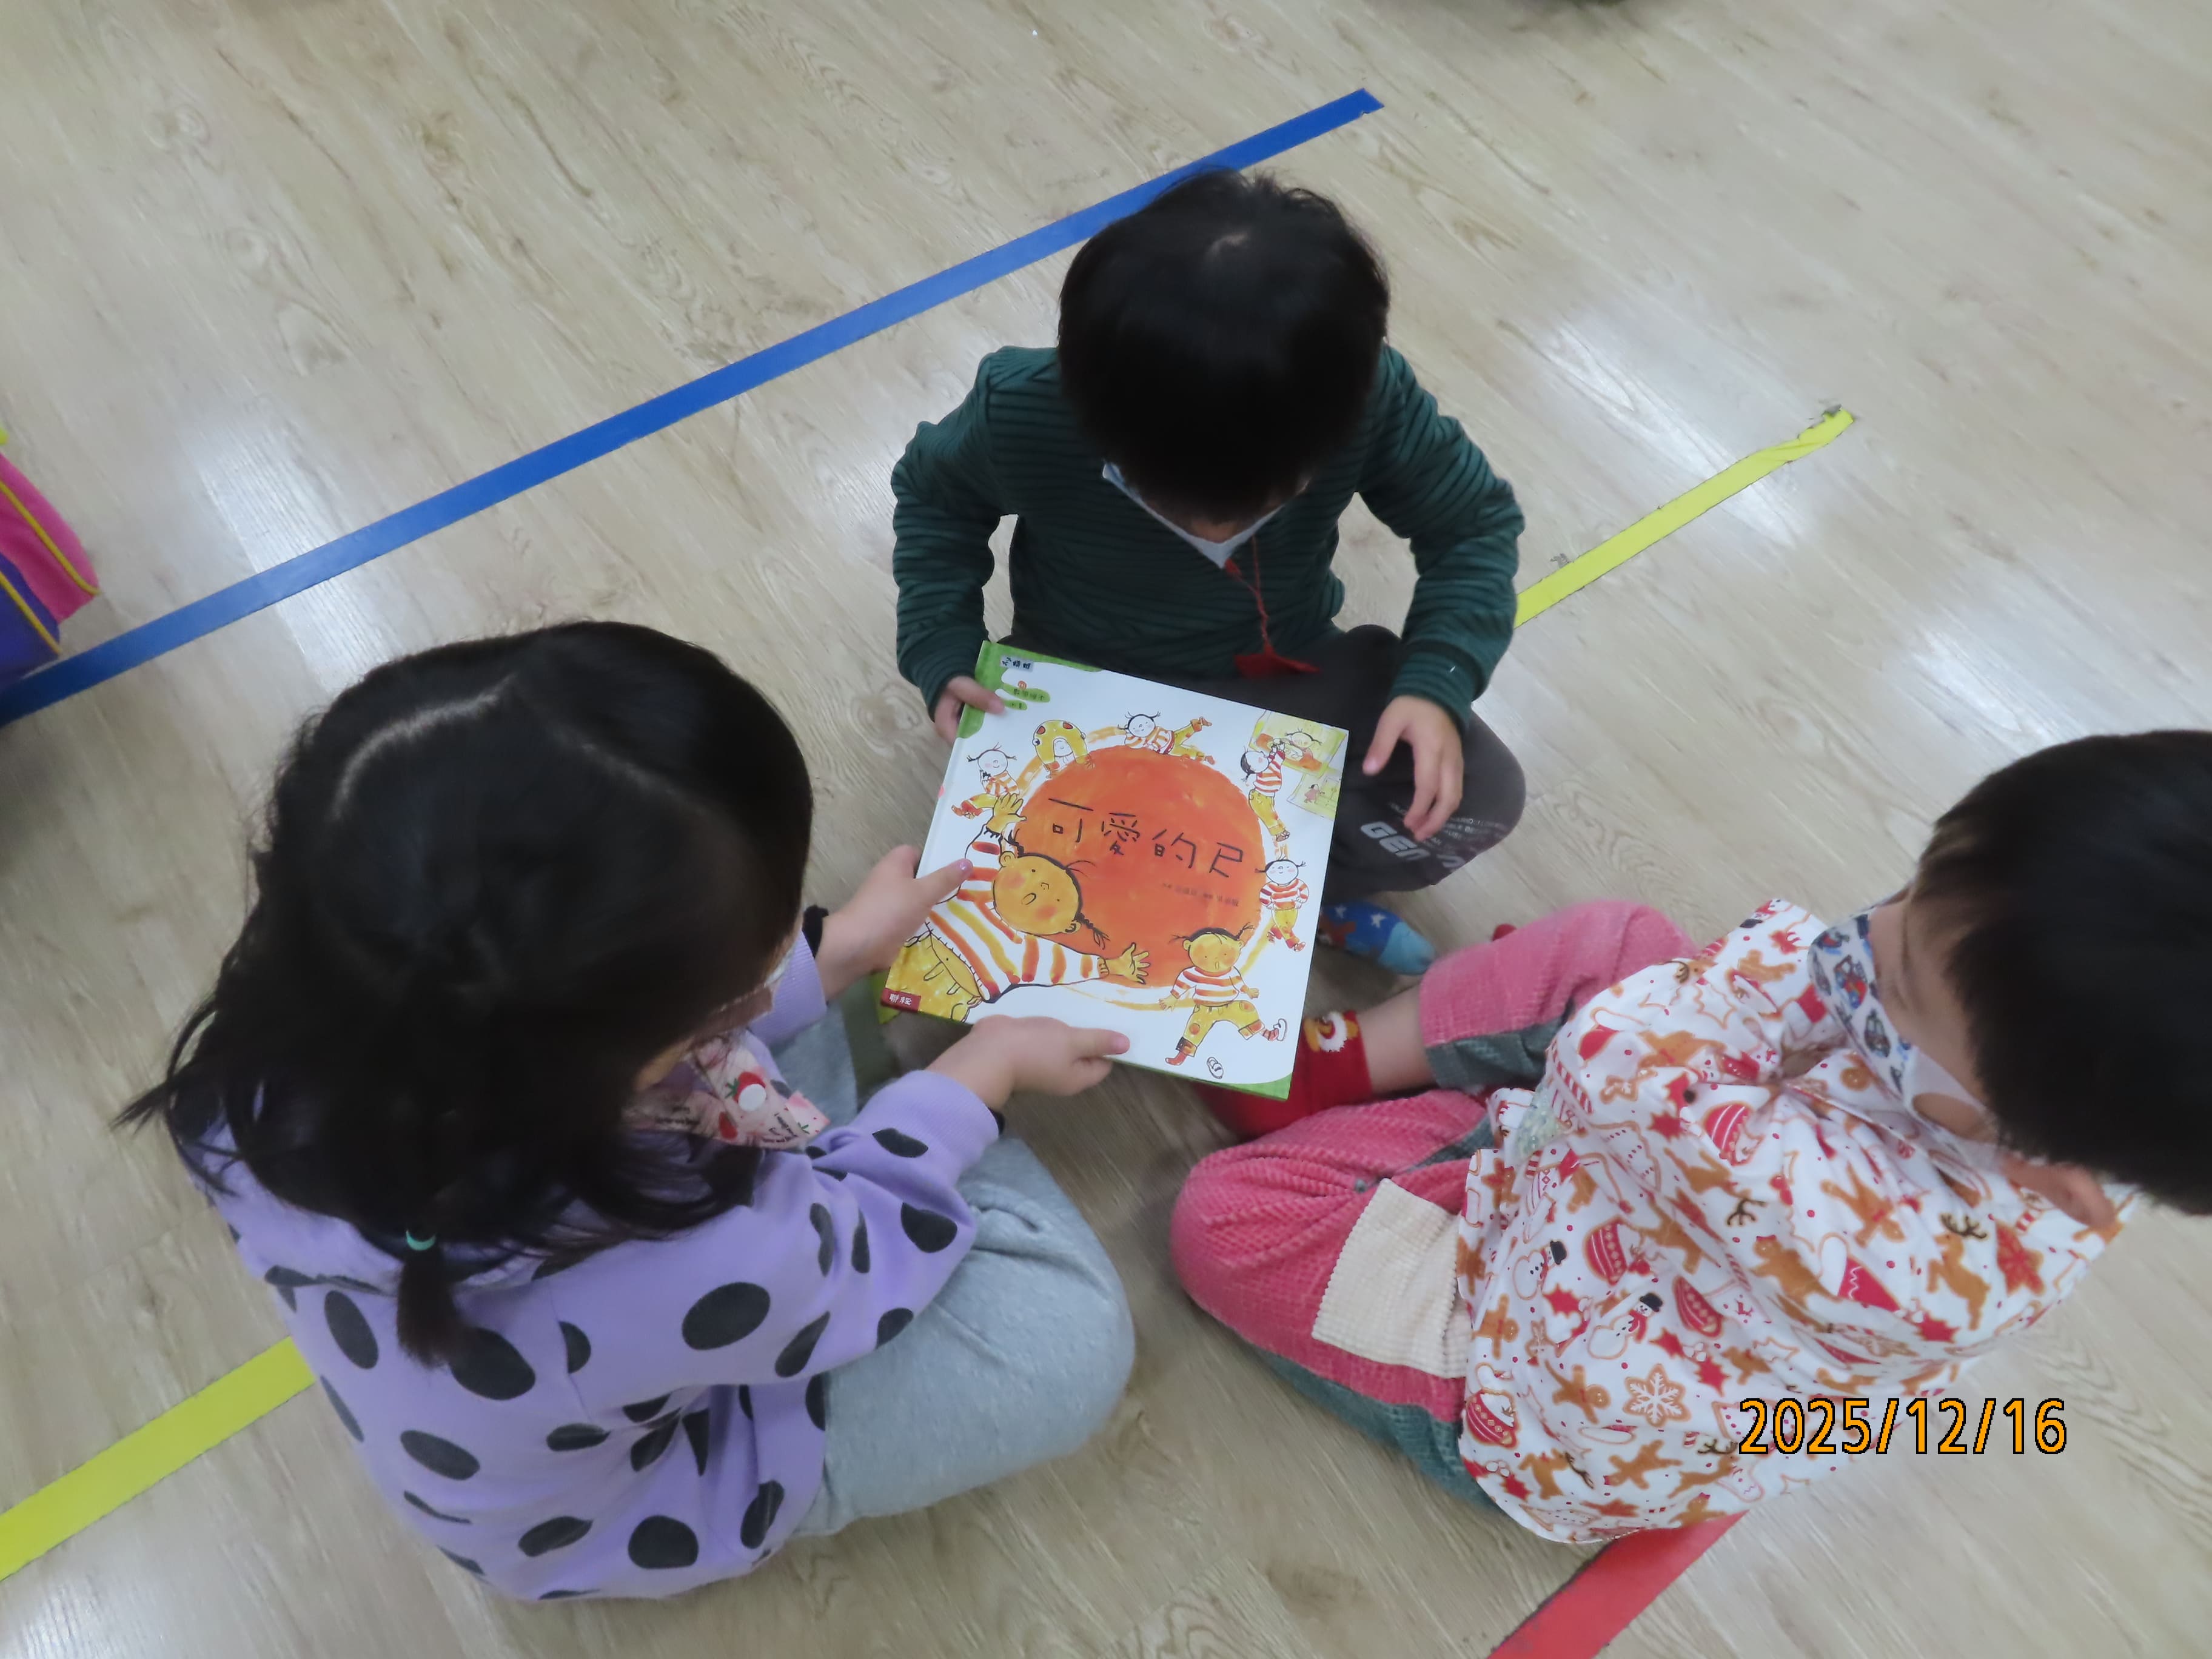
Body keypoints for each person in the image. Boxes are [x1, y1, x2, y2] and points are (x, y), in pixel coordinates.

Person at [121, 623, 1136, 1601]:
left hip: (593, 1318)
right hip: (667, 1481)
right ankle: (890, 1110)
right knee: (1069, 1340)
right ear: (604, 1053)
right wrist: (982, 1071)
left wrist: (833, 956)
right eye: (742, 977)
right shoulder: (692, 1250)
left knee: (780, 1038)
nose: (782, 940)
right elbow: (850, 1254)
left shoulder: (267, 1068)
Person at [1171, 732, 2212, 1540]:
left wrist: (1540, 1103)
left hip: (1521, 1387)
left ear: (2039, 1156)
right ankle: (1375, 1063)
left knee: (1226, 1221)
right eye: (1908, 888)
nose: (1861, 935)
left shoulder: (1880, 1242)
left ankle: (1443, 1095)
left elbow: (1611, 1059)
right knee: (1627, 942)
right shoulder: (2085, 1118)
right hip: (1641, 1217)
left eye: (1894, 986)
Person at [891, 169, 1527, 972]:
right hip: (1083, 678)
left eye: (1261, 499)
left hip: (1280, 669)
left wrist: (1438, 681)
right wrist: (942, 644)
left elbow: (1473, 524)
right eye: (1169, 495)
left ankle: (1292, 897)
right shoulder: (1021, 409)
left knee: (1483, 795)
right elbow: (934, 498)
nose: (1213, 531)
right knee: (1017, 883)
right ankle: (1228, 893)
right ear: (1088, 406)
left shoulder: (1370, 396)